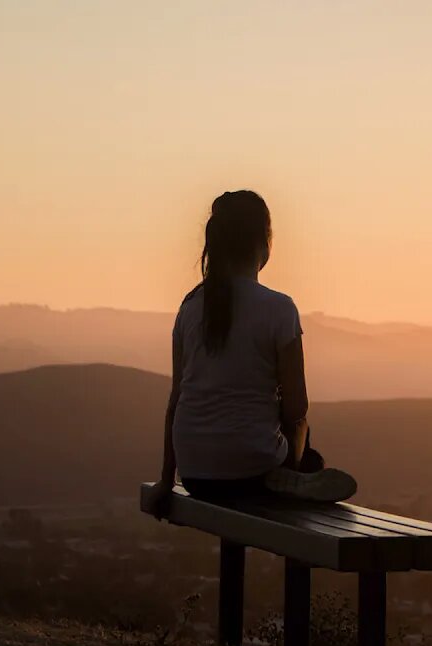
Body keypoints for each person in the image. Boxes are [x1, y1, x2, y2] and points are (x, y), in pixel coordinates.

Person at [147, 190, 356, 519]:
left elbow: (176, 401)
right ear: (264, 241)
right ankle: (297, 475)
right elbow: (297, 408)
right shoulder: (279, 308)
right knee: (303, 434)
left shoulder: (189, 307)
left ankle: (292, 474)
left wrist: (165, 481)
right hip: (253, 471)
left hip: (196, 475)